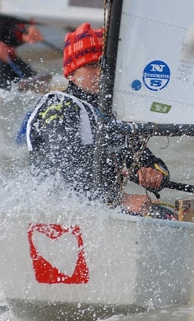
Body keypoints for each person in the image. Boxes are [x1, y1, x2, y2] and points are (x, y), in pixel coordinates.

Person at [24, 22, 174, 218]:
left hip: (99, 208)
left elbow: (149, 161)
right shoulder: (59, 107)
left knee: (170, 214)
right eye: (91, 66)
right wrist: (120, 200)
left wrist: (155, 175)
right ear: (70, 72)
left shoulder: (109, 114)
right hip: (59, 212)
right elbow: (67, 173)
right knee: (161, 215)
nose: (101, 73)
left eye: (105, 66)